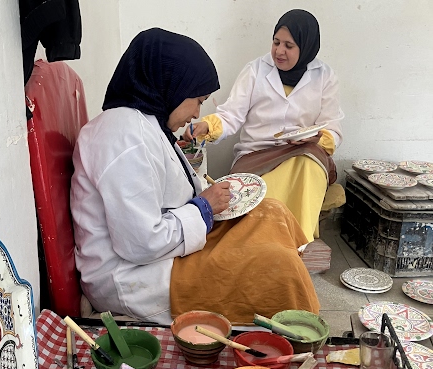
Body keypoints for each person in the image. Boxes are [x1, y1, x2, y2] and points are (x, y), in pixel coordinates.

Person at [70, 27, 320, 326]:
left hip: (162, 249)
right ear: (171, 85)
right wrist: (203, 208)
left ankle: (291, 273)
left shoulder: (147, 122)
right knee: (276, 267)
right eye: (198, 100)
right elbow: (141, 244)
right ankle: (292, 331)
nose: (196, 113)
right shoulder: (123, 137)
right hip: (134, 276)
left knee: (270, 211)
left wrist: (207, 200)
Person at [184, 9, 344, 242]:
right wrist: (207, 127)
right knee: (260, 193)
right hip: (255, 156)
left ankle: (297, 242)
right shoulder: (255, 70)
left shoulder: (325, 76)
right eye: (276, 42)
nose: (279, 51)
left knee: (308, 164)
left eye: (289, 46)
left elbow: (333, 128)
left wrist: (318, 138)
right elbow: (231, 114)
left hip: (301, 153)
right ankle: (265, 243)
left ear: (306, 47)